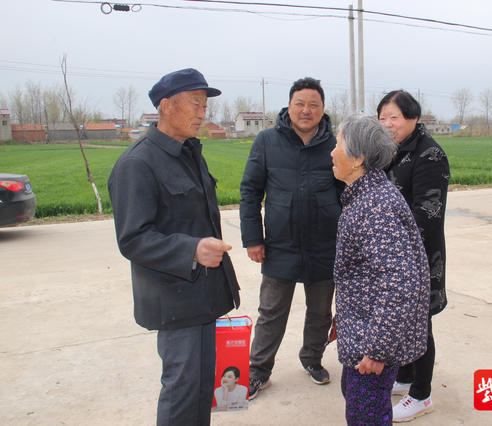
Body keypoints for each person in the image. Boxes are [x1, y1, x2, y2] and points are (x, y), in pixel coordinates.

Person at [108, 68, 240, 426]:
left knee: (200, 388)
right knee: (181, 390)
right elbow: (133, 238)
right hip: (174, 299)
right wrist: (192, 250)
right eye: (196, 105)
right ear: (166, 106)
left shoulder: (188, 153)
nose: (203, 113)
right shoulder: (138, 164)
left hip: (204, 294)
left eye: (205, 106)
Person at [239, 77, 341, 399]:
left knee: (320, 311)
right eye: (300, 103)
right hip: (280, 244)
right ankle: (258, 370)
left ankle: (312, 359)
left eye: (313, 104)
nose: (306, 110)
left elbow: (349, 189)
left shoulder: (337, 143)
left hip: (325, 243)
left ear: (323, 108)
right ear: (289, 106)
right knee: (271, 311)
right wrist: (253, 238)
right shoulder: (267, 141)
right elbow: (250, 191)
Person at [331, 115, 431, 425]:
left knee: (366, 416)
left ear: (358, 157)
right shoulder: (365, 198)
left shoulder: (376, 207)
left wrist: (377, 350)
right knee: (357, 399)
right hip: (363, 333)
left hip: (371, 344)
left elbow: (400, 283)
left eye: (338, 144)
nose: (332, 152)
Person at [377, 90, 450, 422]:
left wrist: (397, 250)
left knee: (419, 324)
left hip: (417, 253)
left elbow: (428, 212)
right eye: (383, 117)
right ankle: (405, 378)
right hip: (393, 252)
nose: (388, 123)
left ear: (413, 118)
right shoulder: (389, 151)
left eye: (395, 117)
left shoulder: (429, 154)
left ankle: (421, 395)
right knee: (402, 320)